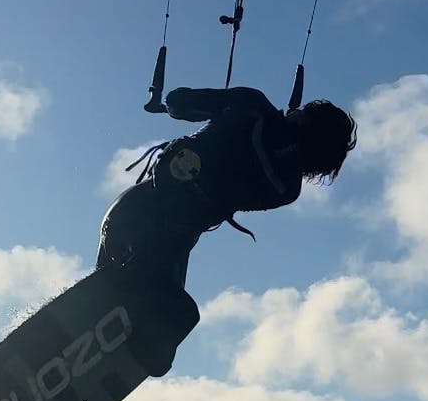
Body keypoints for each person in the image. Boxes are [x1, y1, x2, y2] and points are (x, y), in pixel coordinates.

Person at [97, 86, 356, 291]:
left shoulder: (253, 103)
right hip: (174, 247)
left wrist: (221, 105)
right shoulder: (287, 190)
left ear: (302, 116)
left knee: (100, 289)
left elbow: (177, 102)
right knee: (159, 321)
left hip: (134, 211)